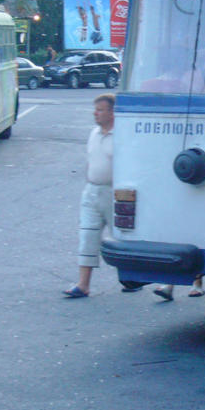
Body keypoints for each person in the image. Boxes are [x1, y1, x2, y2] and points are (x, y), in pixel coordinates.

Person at [63, 93, 117, 298]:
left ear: (112, 112)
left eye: (100, 110)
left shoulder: (122, 136)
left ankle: (132, 278)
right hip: (92, 191)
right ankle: (83, 284)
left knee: (120, 238)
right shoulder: (94, 133)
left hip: (114, 194)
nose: (95, 114)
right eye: (95, 109)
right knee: (87, 236)